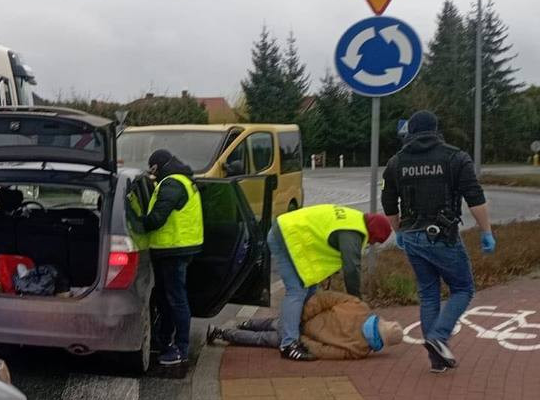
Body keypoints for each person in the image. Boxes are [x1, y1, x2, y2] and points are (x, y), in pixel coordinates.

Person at [382, 109, 494, 374]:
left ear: (410, 131)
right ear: (435, 130)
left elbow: (388, 203)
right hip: (442, 235)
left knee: (429, 294)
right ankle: (439, 337)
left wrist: (398, 231)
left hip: (411, 236)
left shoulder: (396, 162)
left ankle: (437, 360)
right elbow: (475, 197)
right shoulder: (456, 157)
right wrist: (486, 231)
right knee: (463, 288)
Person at [269, 204, 392, 361]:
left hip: (287, 231)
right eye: (374, 241)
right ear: (373, 233)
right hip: (288, 235)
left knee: (310, 290)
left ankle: (286, 328)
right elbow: (351, 268)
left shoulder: (353, 219)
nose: (371, 244)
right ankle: (288, 344)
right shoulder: (353, 233)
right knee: (297, 291)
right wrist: (356, 300)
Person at [207, 289, 404, 360]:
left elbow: (326, 299)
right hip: (304, 338)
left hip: (302, 320)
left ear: (384, 322)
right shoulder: (360, 350)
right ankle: (222, 333)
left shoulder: (360, 307)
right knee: (262, 340)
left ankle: (246, 322)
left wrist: (302, 316)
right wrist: (302, 341)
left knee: (273, 322)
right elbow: (324, 351)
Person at [141, 149, 204, 367]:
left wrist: (136, 220)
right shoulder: (183, 180)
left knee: (176, 299)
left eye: (153, 170)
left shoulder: (172, 183)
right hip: (177, 249)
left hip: (174, 250)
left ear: (158, 166)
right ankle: (164, 340)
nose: (152, 174)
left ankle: (181, 348)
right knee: (167, 298)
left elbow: (157, 219)